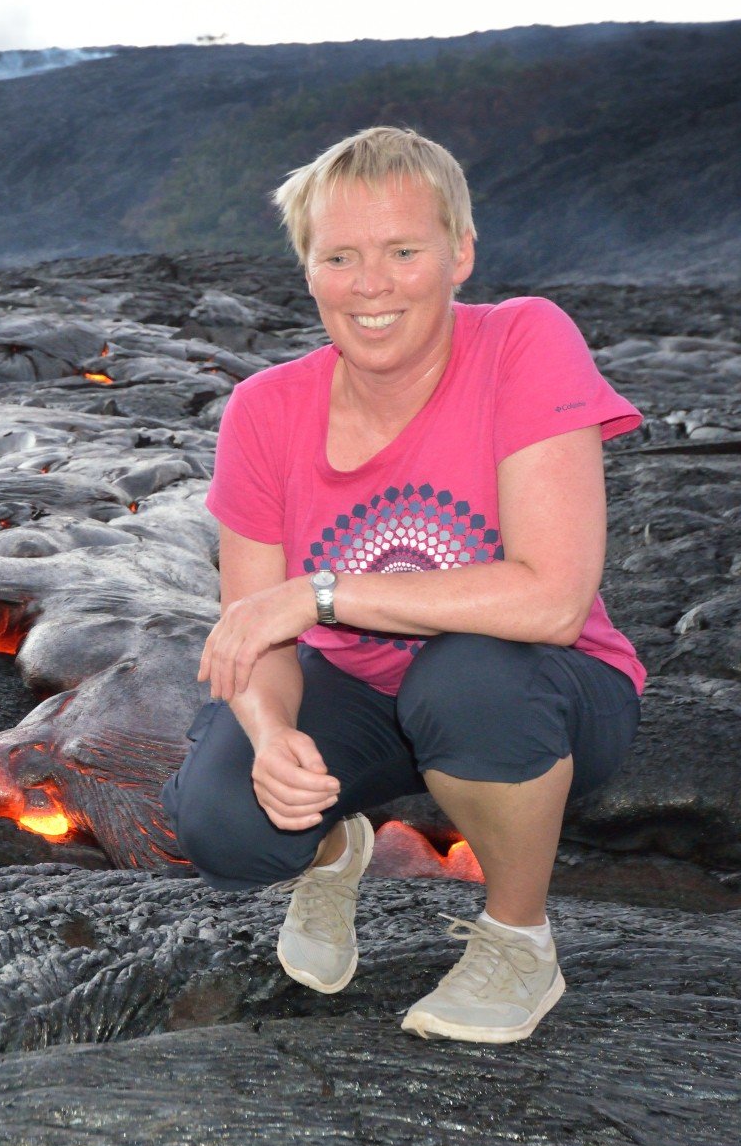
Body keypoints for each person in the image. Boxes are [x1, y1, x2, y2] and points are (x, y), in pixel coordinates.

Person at [158, 126, 645, 1043]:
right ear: (308, 269)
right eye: (339, 256)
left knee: (468, 679)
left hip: (543, 686)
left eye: (403, 251)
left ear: (460, 253)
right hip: (359, 694)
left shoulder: (524, 342)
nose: (370, 284)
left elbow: (552, 600)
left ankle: (517, 937)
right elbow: (253, 625)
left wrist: (322, 594)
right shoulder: (266, 408)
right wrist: (268, 736)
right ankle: (340, 839)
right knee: (225, 818)